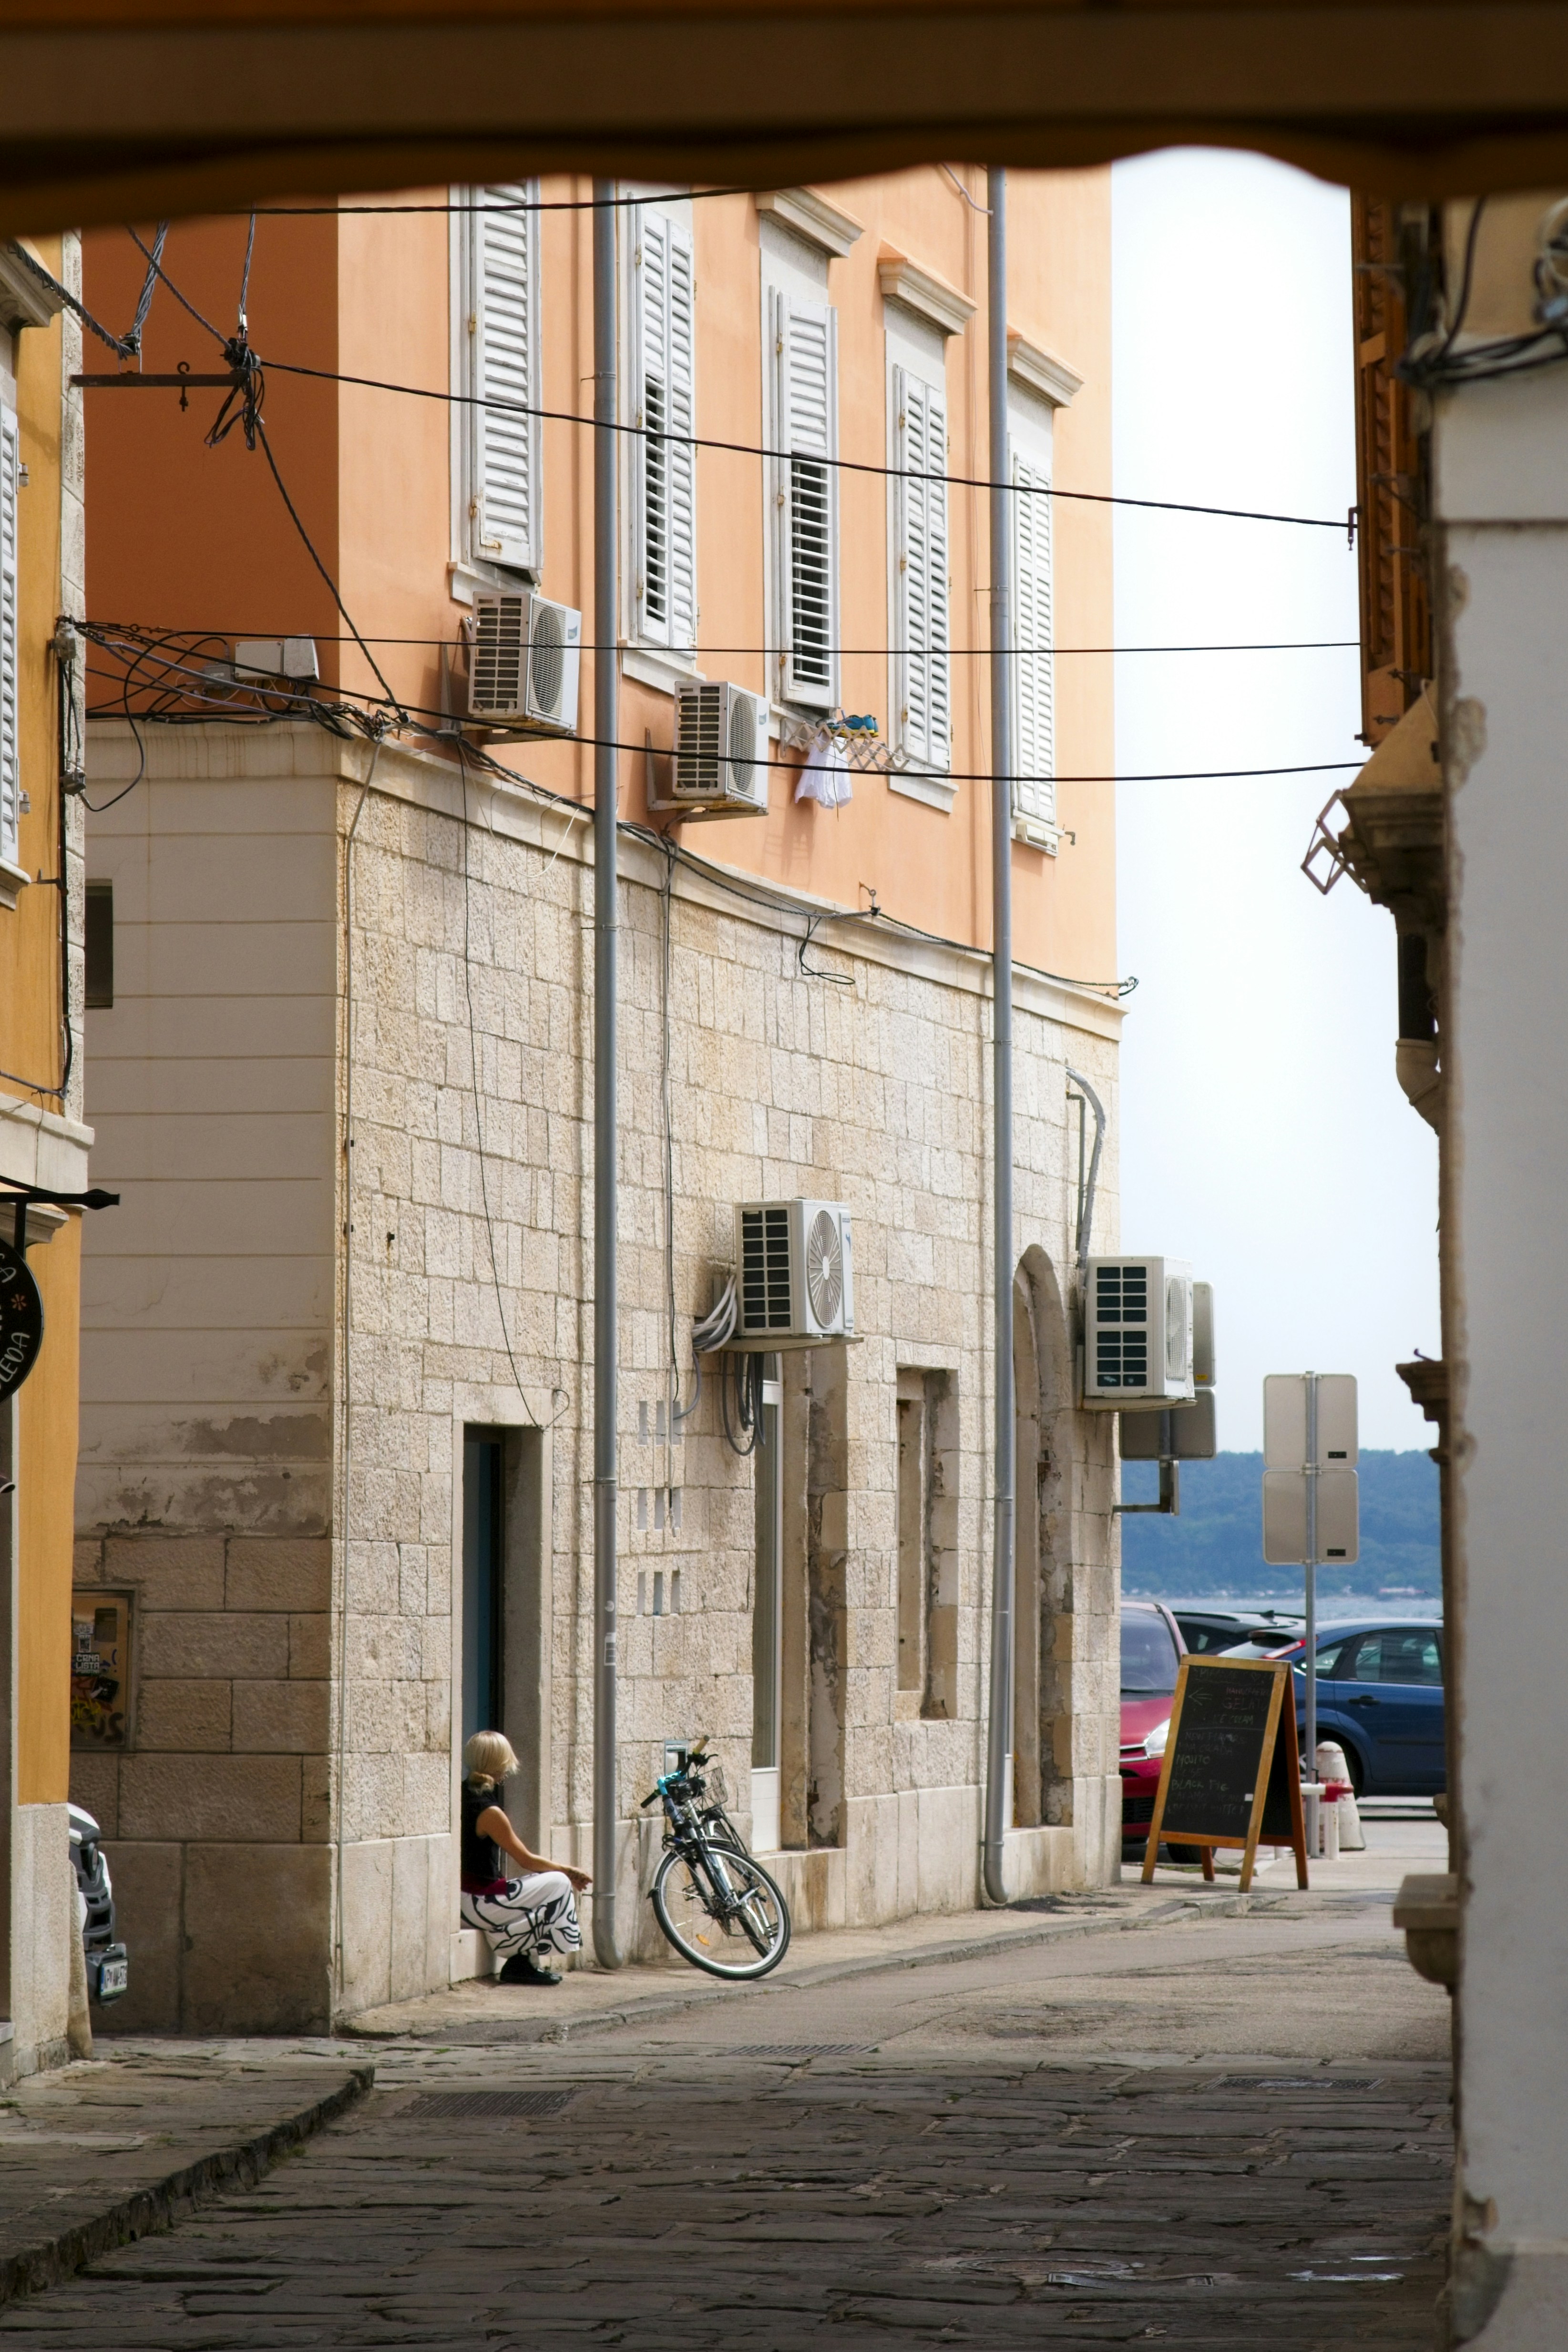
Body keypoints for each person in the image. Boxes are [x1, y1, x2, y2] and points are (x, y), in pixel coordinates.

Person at [459, 1730, 591, 1986]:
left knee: (535, 1889)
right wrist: (567, 1871)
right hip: (477, 1900)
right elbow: (526, 1859)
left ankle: (522, 1960)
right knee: (558, 1884)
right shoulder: (489, 1811)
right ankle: (522, 1961)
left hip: (468, 1897)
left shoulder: (462, 1794)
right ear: (500, 1764)